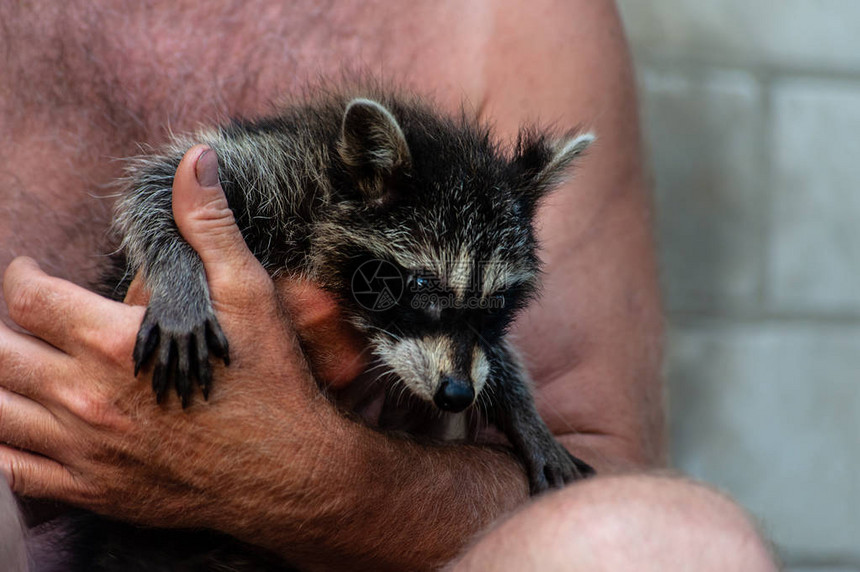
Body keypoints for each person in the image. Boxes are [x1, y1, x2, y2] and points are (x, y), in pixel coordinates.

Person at [0, 0, 778, 569]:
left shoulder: (522, 20)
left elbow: (599, 473)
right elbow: (167, 189)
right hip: (73, 532)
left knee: (670, 546)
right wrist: (178, 290)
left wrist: (298, 474)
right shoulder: (303, 179)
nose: (455, 375)